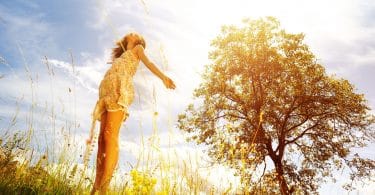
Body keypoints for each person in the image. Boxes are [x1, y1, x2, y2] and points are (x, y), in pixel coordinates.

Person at [87, 32, 176, 194]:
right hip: (107, 90)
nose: (133, 32)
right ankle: (95, 186)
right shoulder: (121, 56)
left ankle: (104, 188)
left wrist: (163, 77)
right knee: (101, 140)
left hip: (119, 89)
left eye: (136, 34)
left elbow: (148, 62)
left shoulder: (138, 48)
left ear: (139, 40)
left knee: (110, 136)